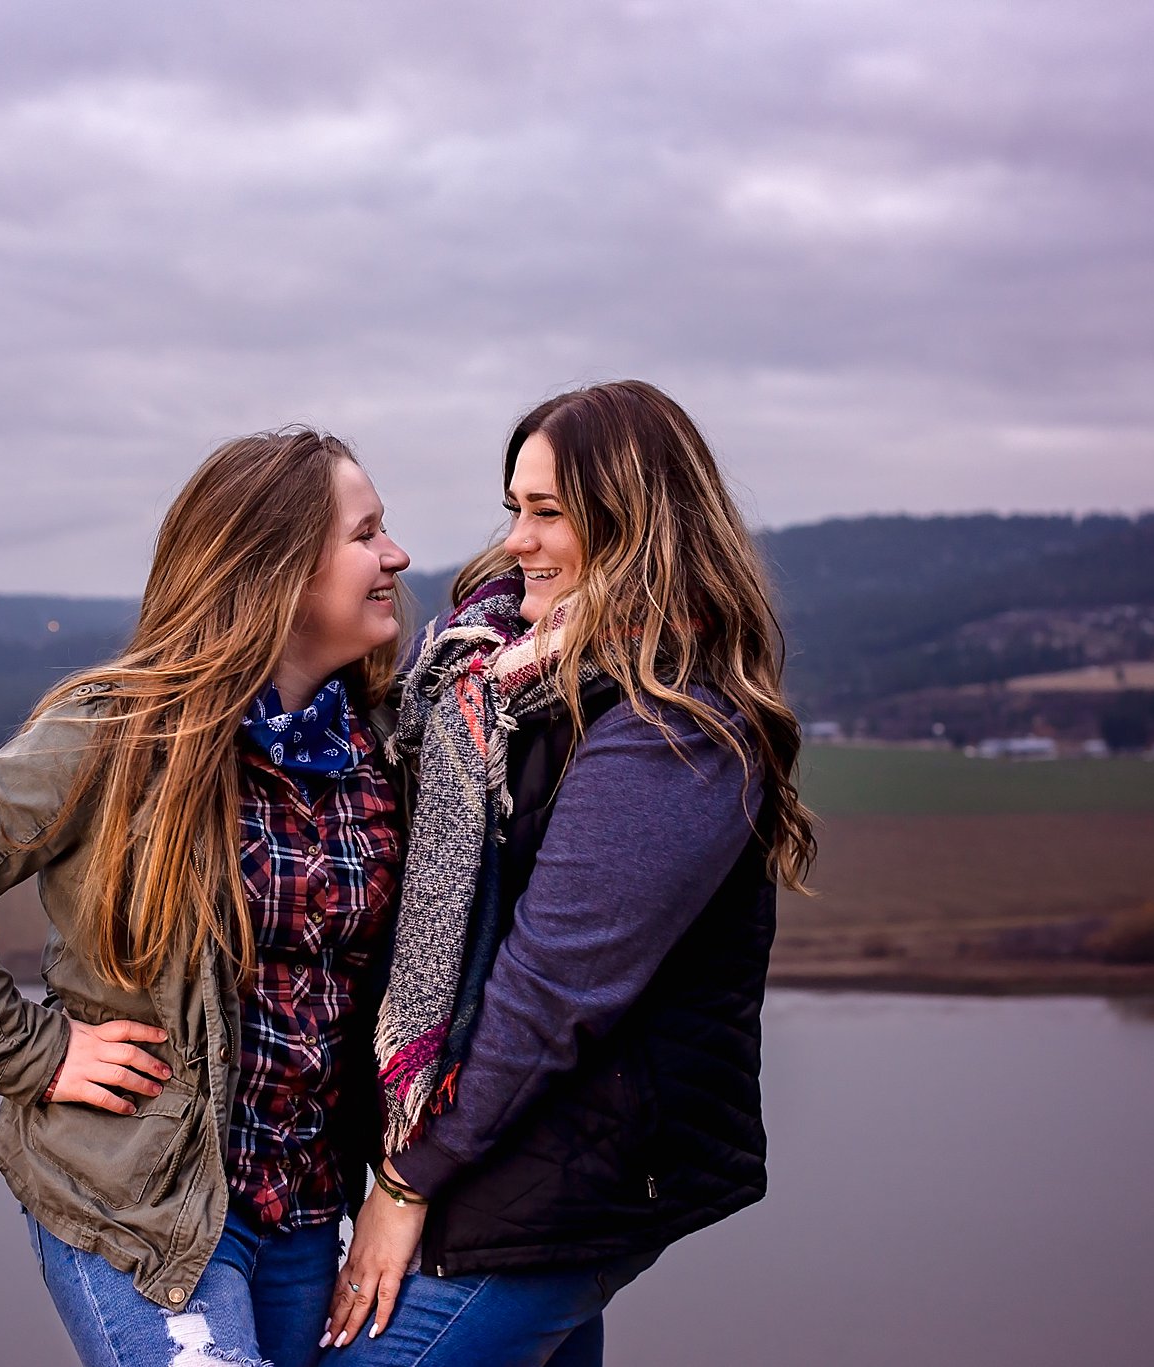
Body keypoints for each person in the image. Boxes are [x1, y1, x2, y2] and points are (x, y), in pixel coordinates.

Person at [0, 428, 412, 1367]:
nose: (395, 554)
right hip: (139, 1201)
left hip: (308, 1208)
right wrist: (33, 1053)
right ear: (275, 570)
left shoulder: (379, 744)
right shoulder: (119, 733)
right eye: (367, 534)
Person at [323, 380, 817, 1365]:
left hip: (559, 1167)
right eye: (514, 507)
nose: (517, 539)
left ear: (635, 523)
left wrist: (404, 1182)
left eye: (548, 512)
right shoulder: (484, 672)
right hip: (498, 1154)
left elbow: (552, 985)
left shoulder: (672, 725)